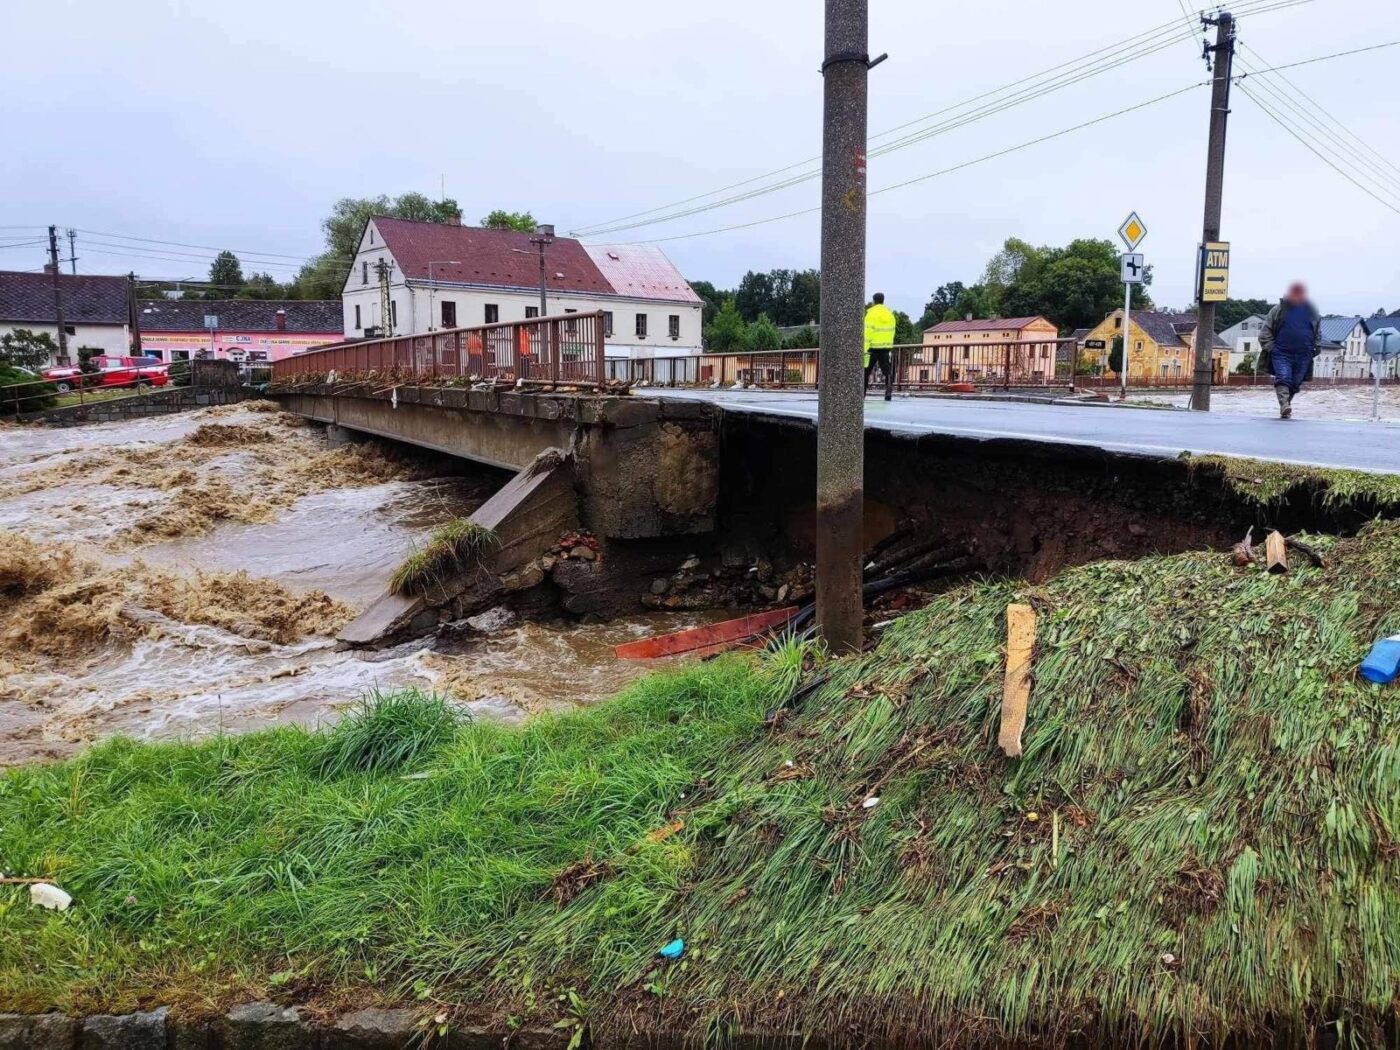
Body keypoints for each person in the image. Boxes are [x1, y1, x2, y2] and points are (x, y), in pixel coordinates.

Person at [1259, 281, 1321, 419]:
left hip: (1304, 354)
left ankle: (1286, 405)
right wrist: (1271, 348)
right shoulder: (1278, 310)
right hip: (1281, 352)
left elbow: (1317, 332)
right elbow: (1265, 331)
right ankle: (1284, 405)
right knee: (1283, 377)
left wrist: (1315, 348)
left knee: (1296, 382)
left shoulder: (1311, 312)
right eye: (1295, 293)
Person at [863, 293, 897, 400]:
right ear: (883, 300)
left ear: (874, 301)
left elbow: (867, 332)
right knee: (886, 371)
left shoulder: (871, 314)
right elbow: (892, 330)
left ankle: (862, 394)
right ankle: (888, 391)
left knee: (865, 371)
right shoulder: (889, 313)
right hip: (885, 347)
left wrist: (864, 348)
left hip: (872, 347)